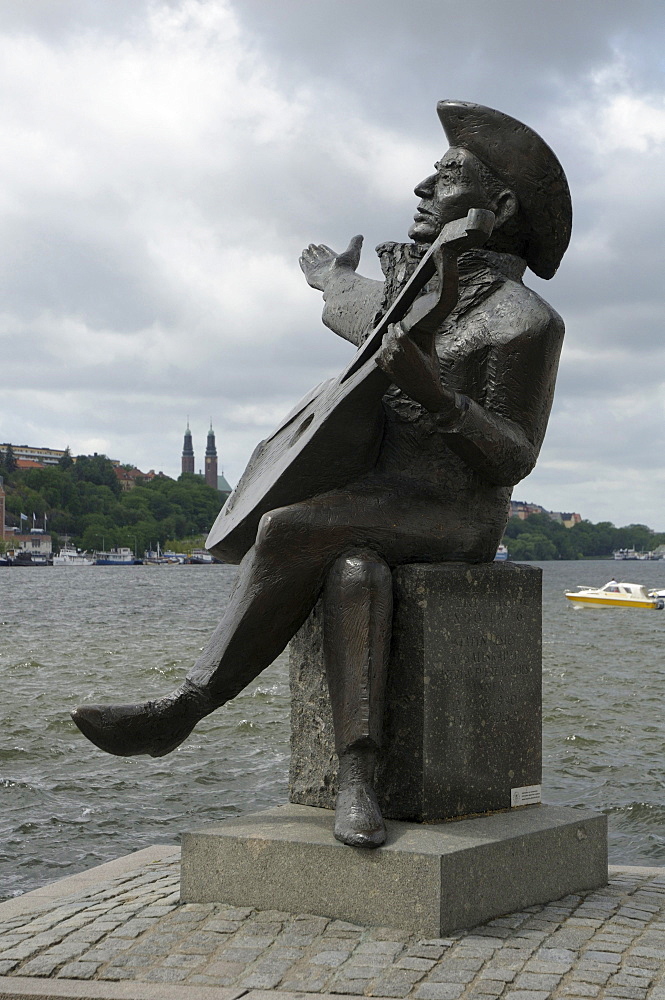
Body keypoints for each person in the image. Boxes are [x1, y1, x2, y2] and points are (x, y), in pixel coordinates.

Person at [72, 101, 572, 849]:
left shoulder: (524, 321)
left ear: (496, 207)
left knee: (288, 527)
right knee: (350, 569)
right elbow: (364, 311)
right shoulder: (418, 297)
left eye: (444, 177)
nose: (419, 189)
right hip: (378, 505)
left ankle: (185, 707)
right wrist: (331, 277)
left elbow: (513, 454)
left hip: (454, 514)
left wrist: (439, 400)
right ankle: (359, 781)